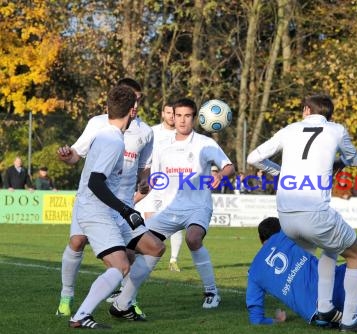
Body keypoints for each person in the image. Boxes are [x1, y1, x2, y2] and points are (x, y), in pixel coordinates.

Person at [247, 94, 357, 333]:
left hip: (286, 218)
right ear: (329, 115)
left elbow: (253, 158)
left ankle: (325, 307)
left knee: (330, 248)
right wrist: (339, 163)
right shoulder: (336, 129)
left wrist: (280, 172)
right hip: (314, 213)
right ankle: (350, 320)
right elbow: (354, 159)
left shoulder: (289, 129)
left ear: (306, 110)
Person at [112, 97, 235, 312]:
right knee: (134, 246)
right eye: (179, 115)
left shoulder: (205, 143)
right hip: (169, 210)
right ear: (173, 117)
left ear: (195, 118)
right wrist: (144, 183)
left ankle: (211, 291)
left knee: (193, 238)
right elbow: (153, 176)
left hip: (198, 206)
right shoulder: (162, 145)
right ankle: (125, 296)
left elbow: (228, 166)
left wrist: (220, 176)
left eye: (187, 116)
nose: (182, 120)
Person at [55, 78, 155, 318]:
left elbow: (145, 168)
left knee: (145, 251)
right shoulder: (100, 126)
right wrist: (67, 155)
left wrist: (144, 183)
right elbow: (79, 159)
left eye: (139, 98)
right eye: (133, 98)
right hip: (96, 203)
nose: (136, 104)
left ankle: (124, 300)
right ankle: (68, 297)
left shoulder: (146, 132)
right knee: (79, 242)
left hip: (122, 204)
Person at [137, 101, 186, 273]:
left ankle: (173, 259)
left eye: (174, 113)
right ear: (162, 114)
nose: (172, 116)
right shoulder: (153, 132)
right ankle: (145, 256)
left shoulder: (183, 134)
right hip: (152, 184)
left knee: (175, 221)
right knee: (148, 221)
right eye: (168, 112)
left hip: (173, 185)